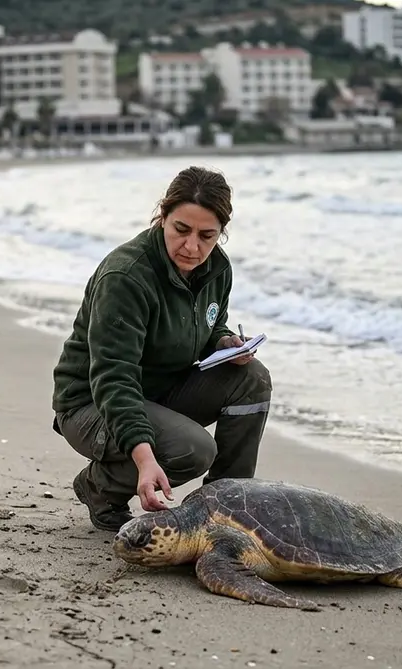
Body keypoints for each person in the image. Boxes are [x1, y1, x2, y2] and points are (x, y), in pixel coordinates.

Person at [51, 166, 272, 532]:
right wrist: (143, 457)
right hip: (92, 402)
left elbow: (208, 324)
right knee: (193, 449)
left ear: (222, 233)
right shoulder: (125, 276)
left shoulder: (216, 268)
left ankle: (226, 512)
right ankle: (99, 487)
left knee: (252, 378)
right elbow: (114, 378)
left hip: (161, 393)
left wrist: (224, 341)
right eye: (181, 230)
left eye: (207, 235)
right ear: (162, 216)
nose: (192, 247)